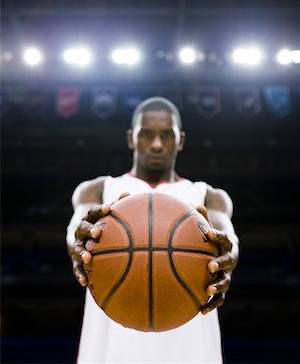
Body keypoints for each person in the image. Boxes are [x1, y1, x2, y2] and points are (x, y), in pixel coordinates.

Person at [67, 96, 239, 364]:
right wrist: (78, 242)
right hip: (112, 343)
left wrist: (228, 256)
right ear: (131, 138)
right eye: (147, 134)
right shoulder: (98, 190)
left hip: (189, 341)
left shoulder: (208, 196)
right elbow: (75, 231)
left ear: (180, 140)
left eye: (167, 135)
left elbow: (228, 239)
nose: (157, 144)